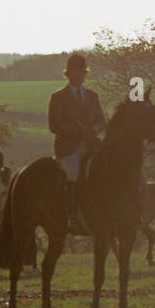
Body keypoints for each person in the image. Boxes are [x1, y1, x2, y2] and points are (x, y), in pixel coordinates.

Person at [48, 53, 105, 227]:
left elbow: (102, 122)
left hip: (92, 146)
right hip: (68, 148)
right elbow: (54, 125)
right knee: (74, 173)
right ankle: (72, 213)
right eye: (76, 72)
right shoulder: (57, 97)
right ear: (68, 74)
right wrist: (78, 133)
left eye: (83, 72)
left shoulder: (92, 96)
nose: (80, 76)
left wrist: (93, 130)